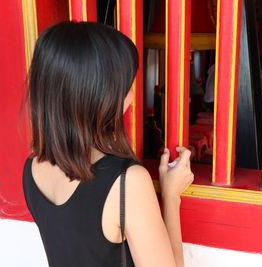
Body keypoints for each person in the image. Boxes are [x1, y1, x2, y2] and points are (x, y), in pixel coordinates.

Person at [22, 22, 194, 267]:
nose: (131, 94)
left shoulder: (32, 167)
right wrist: (171, 196)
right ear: (103, 98)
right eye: (127, 85)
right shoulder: (127, 181)